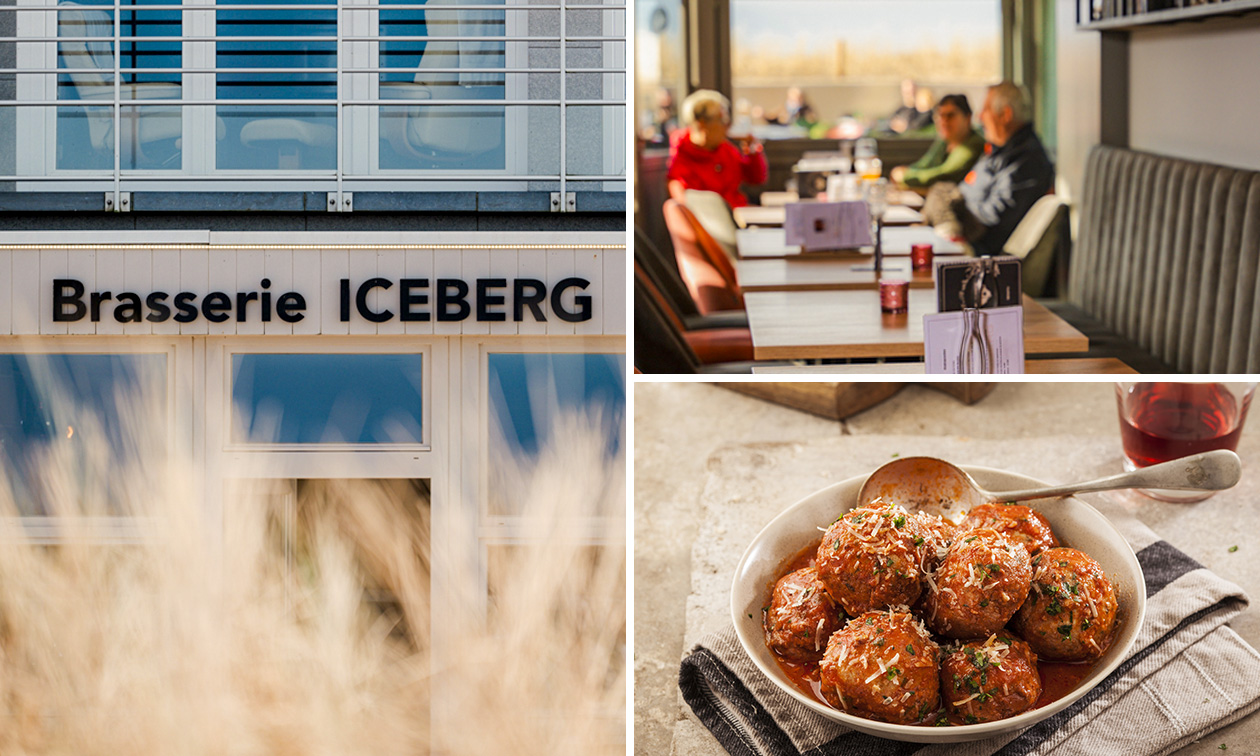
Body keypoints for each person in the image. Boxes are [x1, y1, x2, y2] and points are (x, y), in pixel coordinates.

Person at [923, 81, 1054, 256]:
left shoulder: (1027, 162)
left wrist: (957, 203)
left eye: (985, 110)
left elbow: (992, 223)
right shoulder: (998, 152)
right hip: (962, 237)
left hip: (980, 256)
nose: (979, 118)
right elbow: (967, 192)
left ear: (1005, 114)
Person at [667, 89, 767, 209]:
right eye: (722, 120)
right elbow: (691, 205)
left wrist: (752, 151)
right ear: (702, 123)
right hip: (718, 218)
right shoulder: (682, 158)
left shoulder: (725, 149)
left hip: (738, 212)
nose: (727, 126)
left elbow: (756, 178)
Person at [890, 94, 986, 190]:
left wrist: (905, 176)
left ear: (968, 118)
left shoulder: (973, 144)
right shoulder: (945, 141)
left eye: (950, 116)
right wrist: (906, 172)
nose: (944, 121)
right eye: (940, 115)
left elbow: (945, 175)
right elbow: (924, 165)